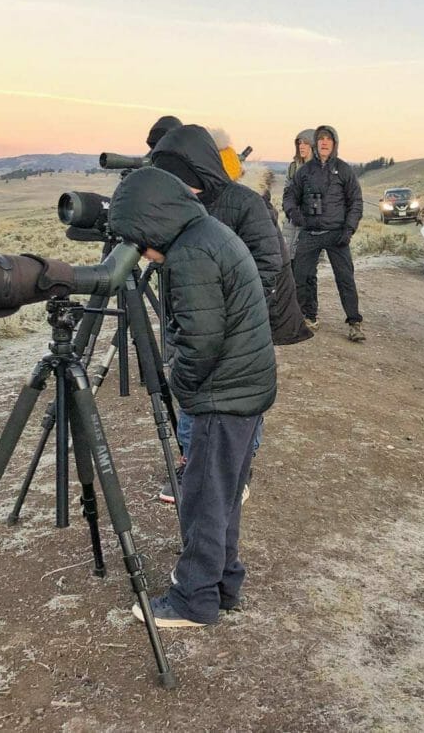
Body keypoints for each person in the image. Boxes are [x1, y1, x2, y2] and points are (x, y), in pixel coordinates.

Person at [109, 167, 277, 628]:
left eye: (138, 243)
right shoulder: (209, 232)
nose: (143, 255)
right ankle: (223, 584)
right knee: (221, 497)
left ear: (151, 223)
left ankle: (193, 600)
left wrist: (180, 386)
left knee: (202, 499)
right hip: (245, 390)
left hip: (223, 396)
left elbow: (199, 343)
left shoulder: (190, 254)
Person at [149, 124, 311, 503]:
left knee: (239, 402)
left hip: (240, 326)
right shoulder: (183, 206)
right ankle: (194, 461)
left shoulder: (246, 203)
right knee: (192, 389)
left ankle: (240, 468)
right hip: (192, 318)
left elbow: (268, 264)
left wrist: (232, 311)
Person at [282, 125, 365, 342]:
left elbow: (355, 201)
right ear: (316, 143)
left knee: (345, 279)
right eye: (321, 139)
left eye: (328, 139)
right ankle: (307, 318)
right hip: (310, 232)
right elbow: (290, 196)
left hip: (337, 234)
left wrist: (348, 229)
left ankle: (354, 322)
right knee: (301, 277)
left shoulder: (344, 169)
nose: (324, 142)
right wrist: (296, 216)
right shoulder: (305, 171)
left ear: (334, 143)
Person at [283, 129, 314, 257]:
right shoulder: (293, 168)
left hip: (311, 224)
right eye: (299, 143)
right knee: (288, 260)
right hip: (291, 222)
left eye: (306, 143)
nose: (301, 146)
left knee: (307, 265)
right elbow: (286, 192)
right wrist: (290, 210)